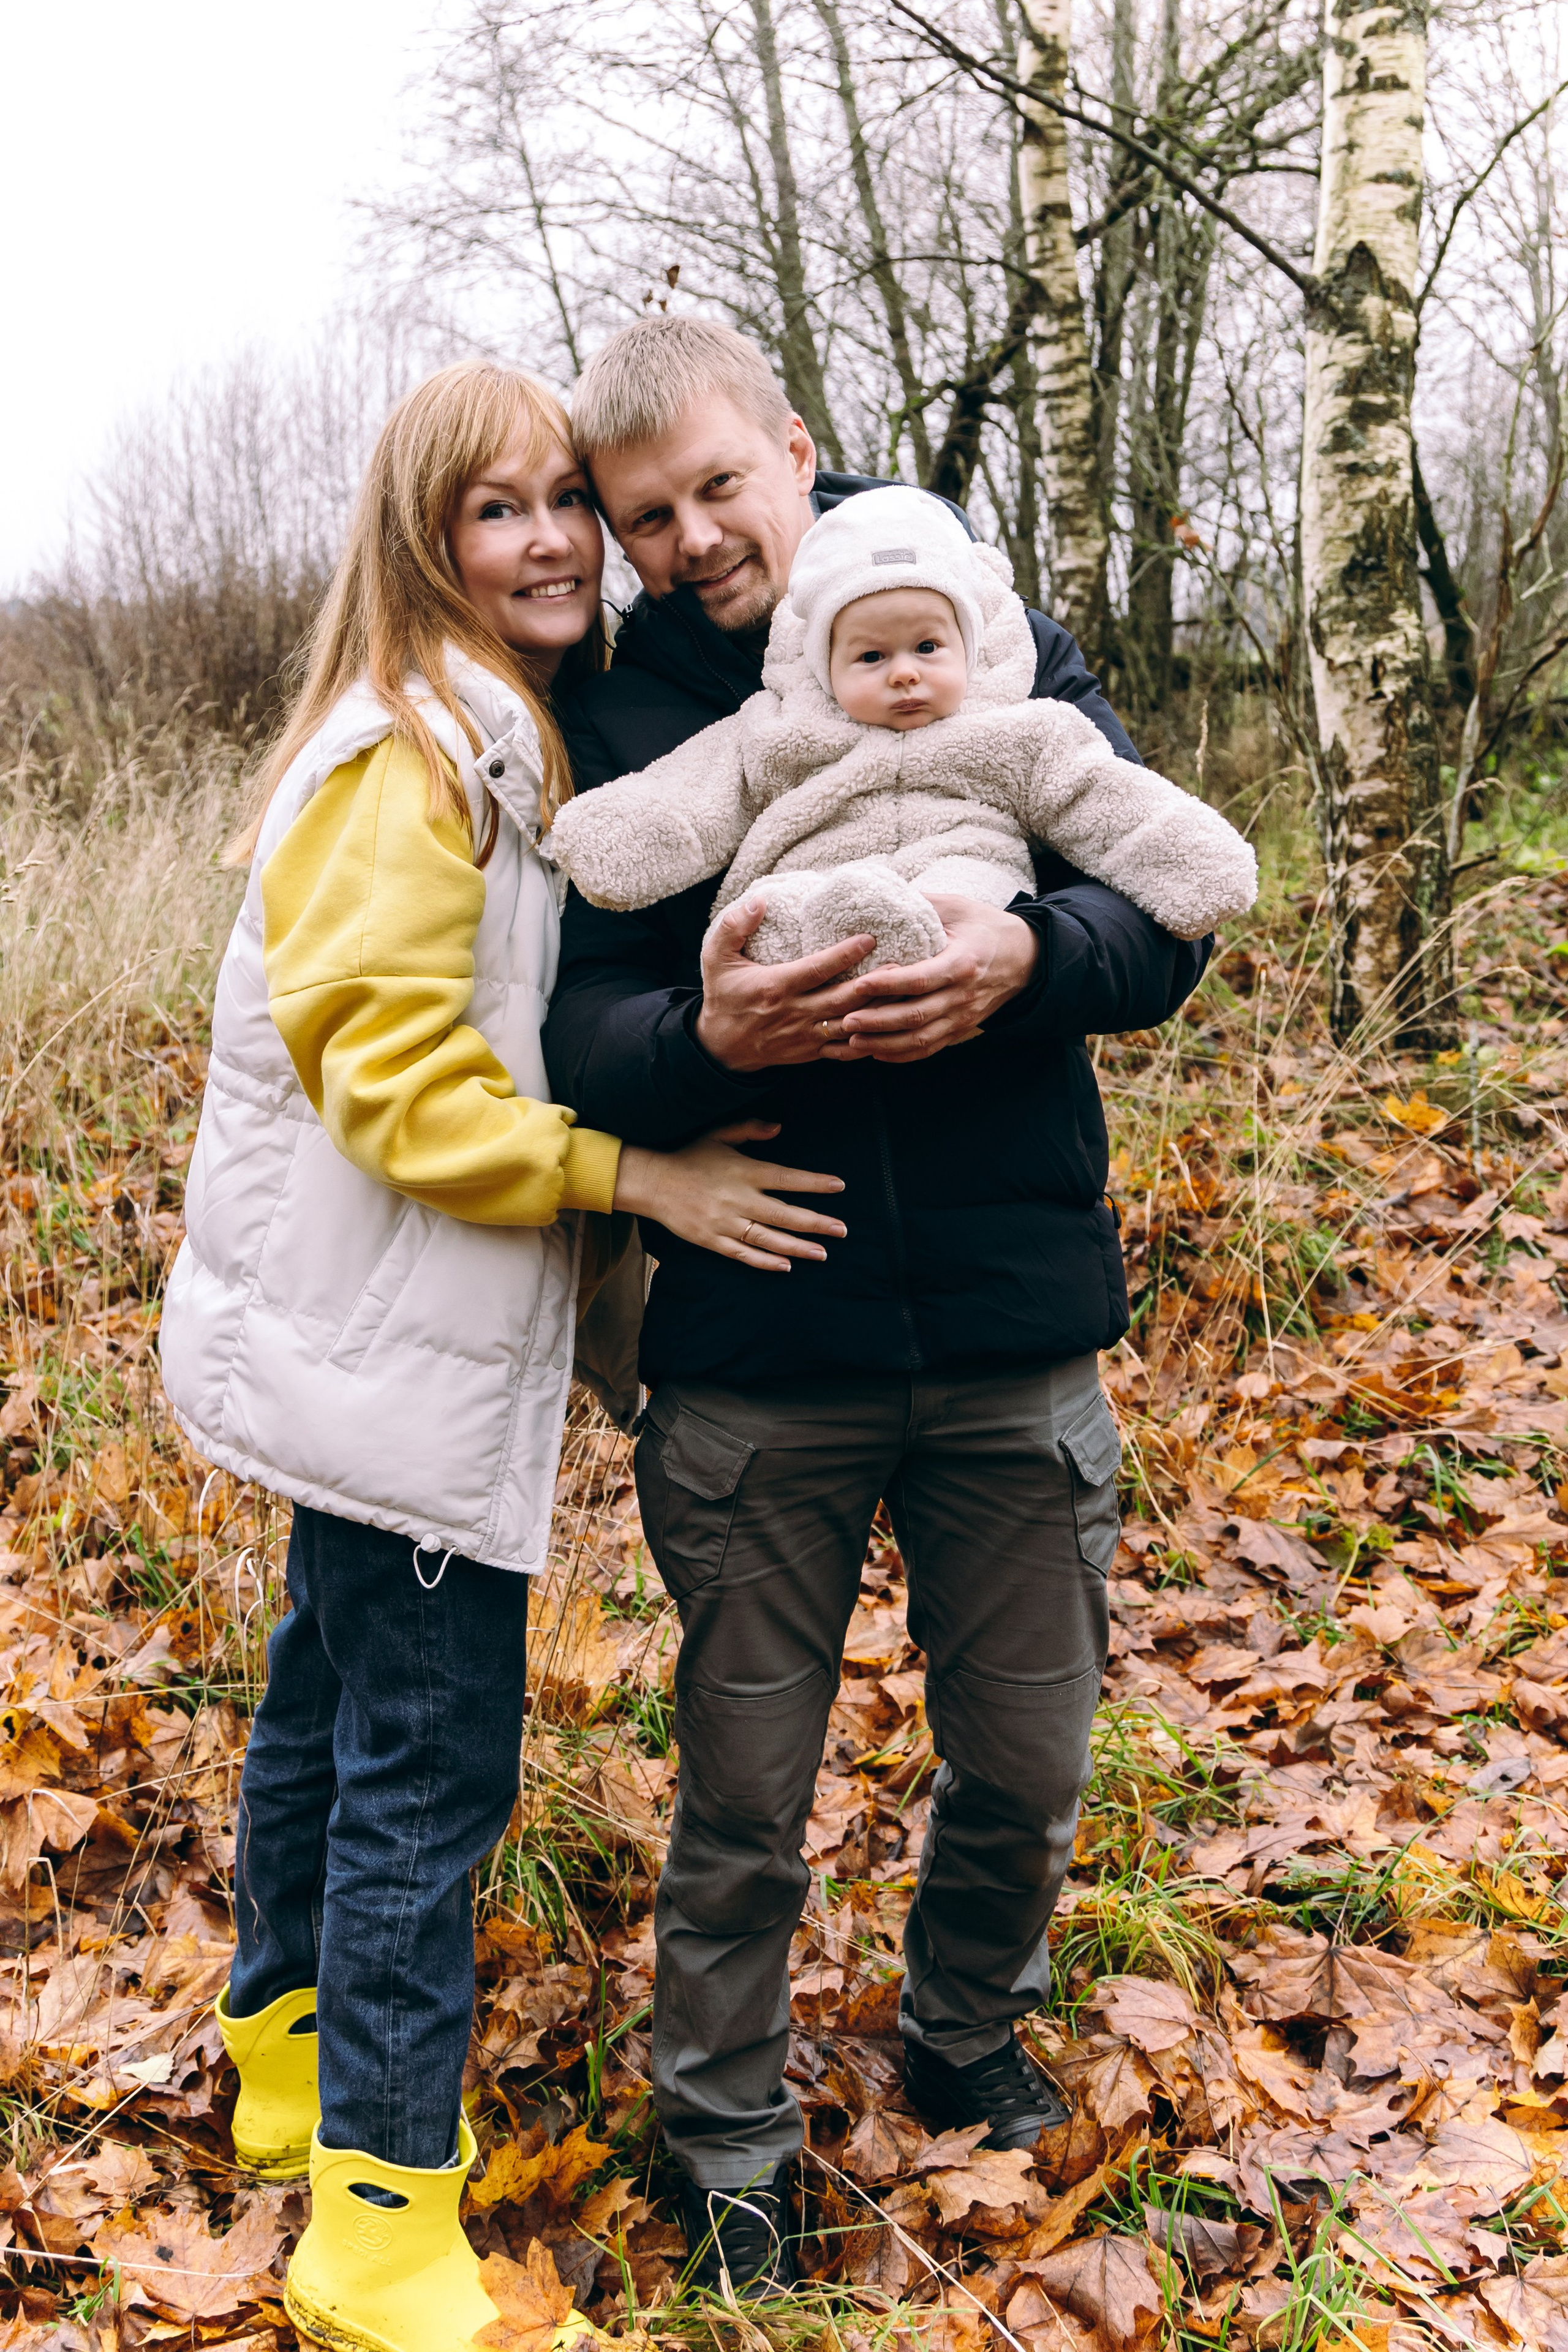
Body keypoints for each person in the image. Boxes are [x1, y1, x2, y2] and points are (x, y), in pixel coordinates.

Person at [159, 360, 846, 2352]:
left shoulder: (479, 725)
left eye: (568, 501)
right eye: (498, 509)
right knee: (427, 1773)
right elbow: (394, 1087)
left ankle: (288, 2067)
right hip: (404, 1347)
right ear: (424, 539)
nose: (553, 541)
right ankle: (379, 2237)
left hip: (373, 1335)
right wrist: (636, 1175)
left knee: (328, 1692)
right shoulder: (416, 755)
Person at [542, 316, 1215, 2294]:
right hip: (762, 1346)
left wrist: (1031, 958)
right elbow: (574, 1022)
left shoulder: (966, 620)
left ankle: (966, 2035)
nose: (689, 540)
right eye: (646, 517)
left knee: (1030, 1759)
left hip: (1014, 1325)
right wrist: (703, 1043)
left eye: (716, 488)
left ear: (793, 445)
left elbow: (1157, 904)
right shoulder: (629, 709)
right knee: (748, 1792)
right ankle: (727, 2136)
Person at [547, 483, 1255, 960]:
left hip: (961, 888)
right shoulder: (777, 727)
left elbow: (1110, 805)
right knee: (765, 912)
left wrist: (1191, 868)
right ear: (823, 664)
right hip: (806, 889)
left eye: (927, 648)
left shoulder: (1022, 729)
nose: (904, 673)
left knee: (962, 895)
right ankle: (830, 936)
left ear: (968, 646)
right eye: (870, 656)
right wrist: (616, 837)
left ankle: (900, 933)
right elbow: (693, 796)